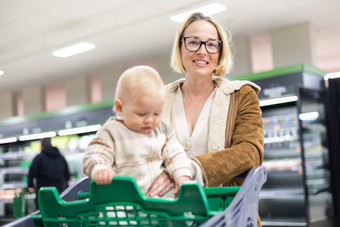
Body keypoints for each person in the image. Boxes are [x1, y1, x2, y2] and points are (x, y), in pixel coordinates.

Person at [145, 12, 264, 225]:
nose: (202, 51)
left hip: (227, 215)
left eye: (211, 45)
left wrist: (194, 167)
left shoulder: (241, 95)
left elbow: (251, 152)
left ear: (219, 52)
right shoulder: (157, 100)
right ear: (180, 48)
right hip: (169, 217)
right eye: (193, 42)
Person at [82, 65, 192, 196]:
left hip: (155, 200)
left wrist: (182, 175)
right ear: (119, 107)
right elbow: (95, 155)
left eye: (156, 113)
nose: (150, 120)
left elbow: (176, 155)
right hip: (121, 201)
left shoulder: (161, 131)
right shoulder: (112, 132)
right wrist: (99, 168)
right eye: (141, 114)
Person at [28, 137, 70, 208]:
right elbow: (67, 174)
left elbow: (31, 173)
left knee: (44, 213)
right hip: (59, 192)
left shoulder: (39, 158)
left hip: (44, 192)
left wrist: (30, 185)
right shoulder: (61, 157)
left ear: (41, 145)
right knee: (58, 212)